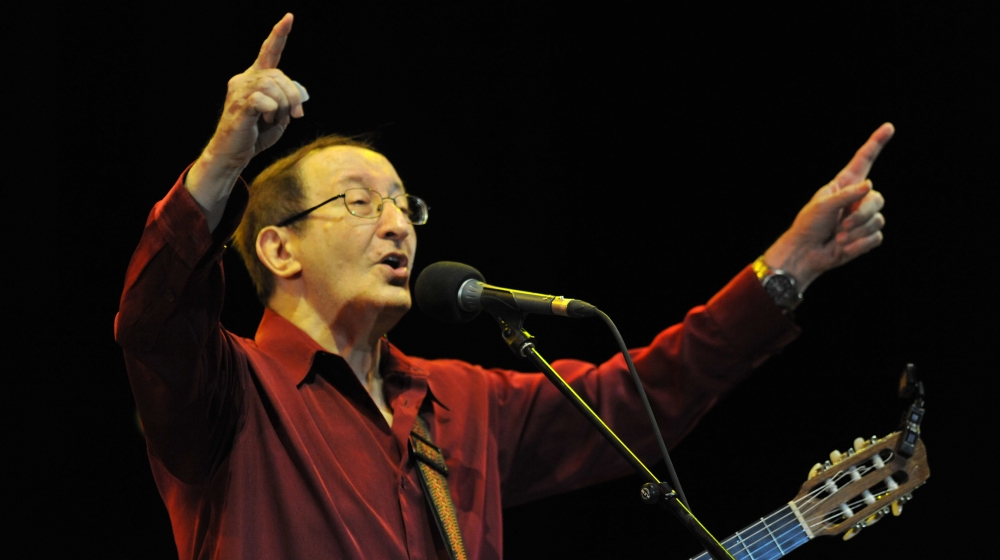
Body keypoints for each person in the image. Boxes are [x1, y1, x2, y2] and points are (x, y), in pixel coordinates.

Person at [115, 13, 893, 560]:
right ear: (279, 249)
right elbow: (154, 316)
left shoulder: (462, 404)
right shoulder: (225, 390)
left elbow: (642, 399)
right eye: (360, 202)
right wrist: (222, 161)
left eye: (403, 205)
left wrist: (788, 267)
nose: (397, 226)